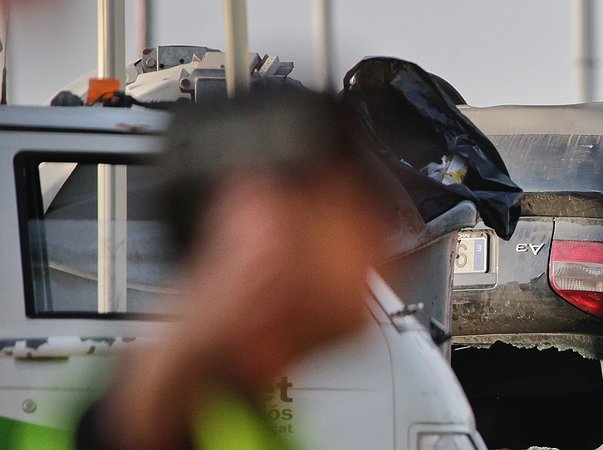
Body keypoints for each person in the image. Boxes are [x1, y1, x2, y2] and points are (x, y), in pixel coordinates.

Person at [73, 87, 399, 449]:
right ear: (264, 224)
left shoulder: (237, 419)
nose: (379, 234)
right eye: (358, 204)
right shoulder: (169, 419)